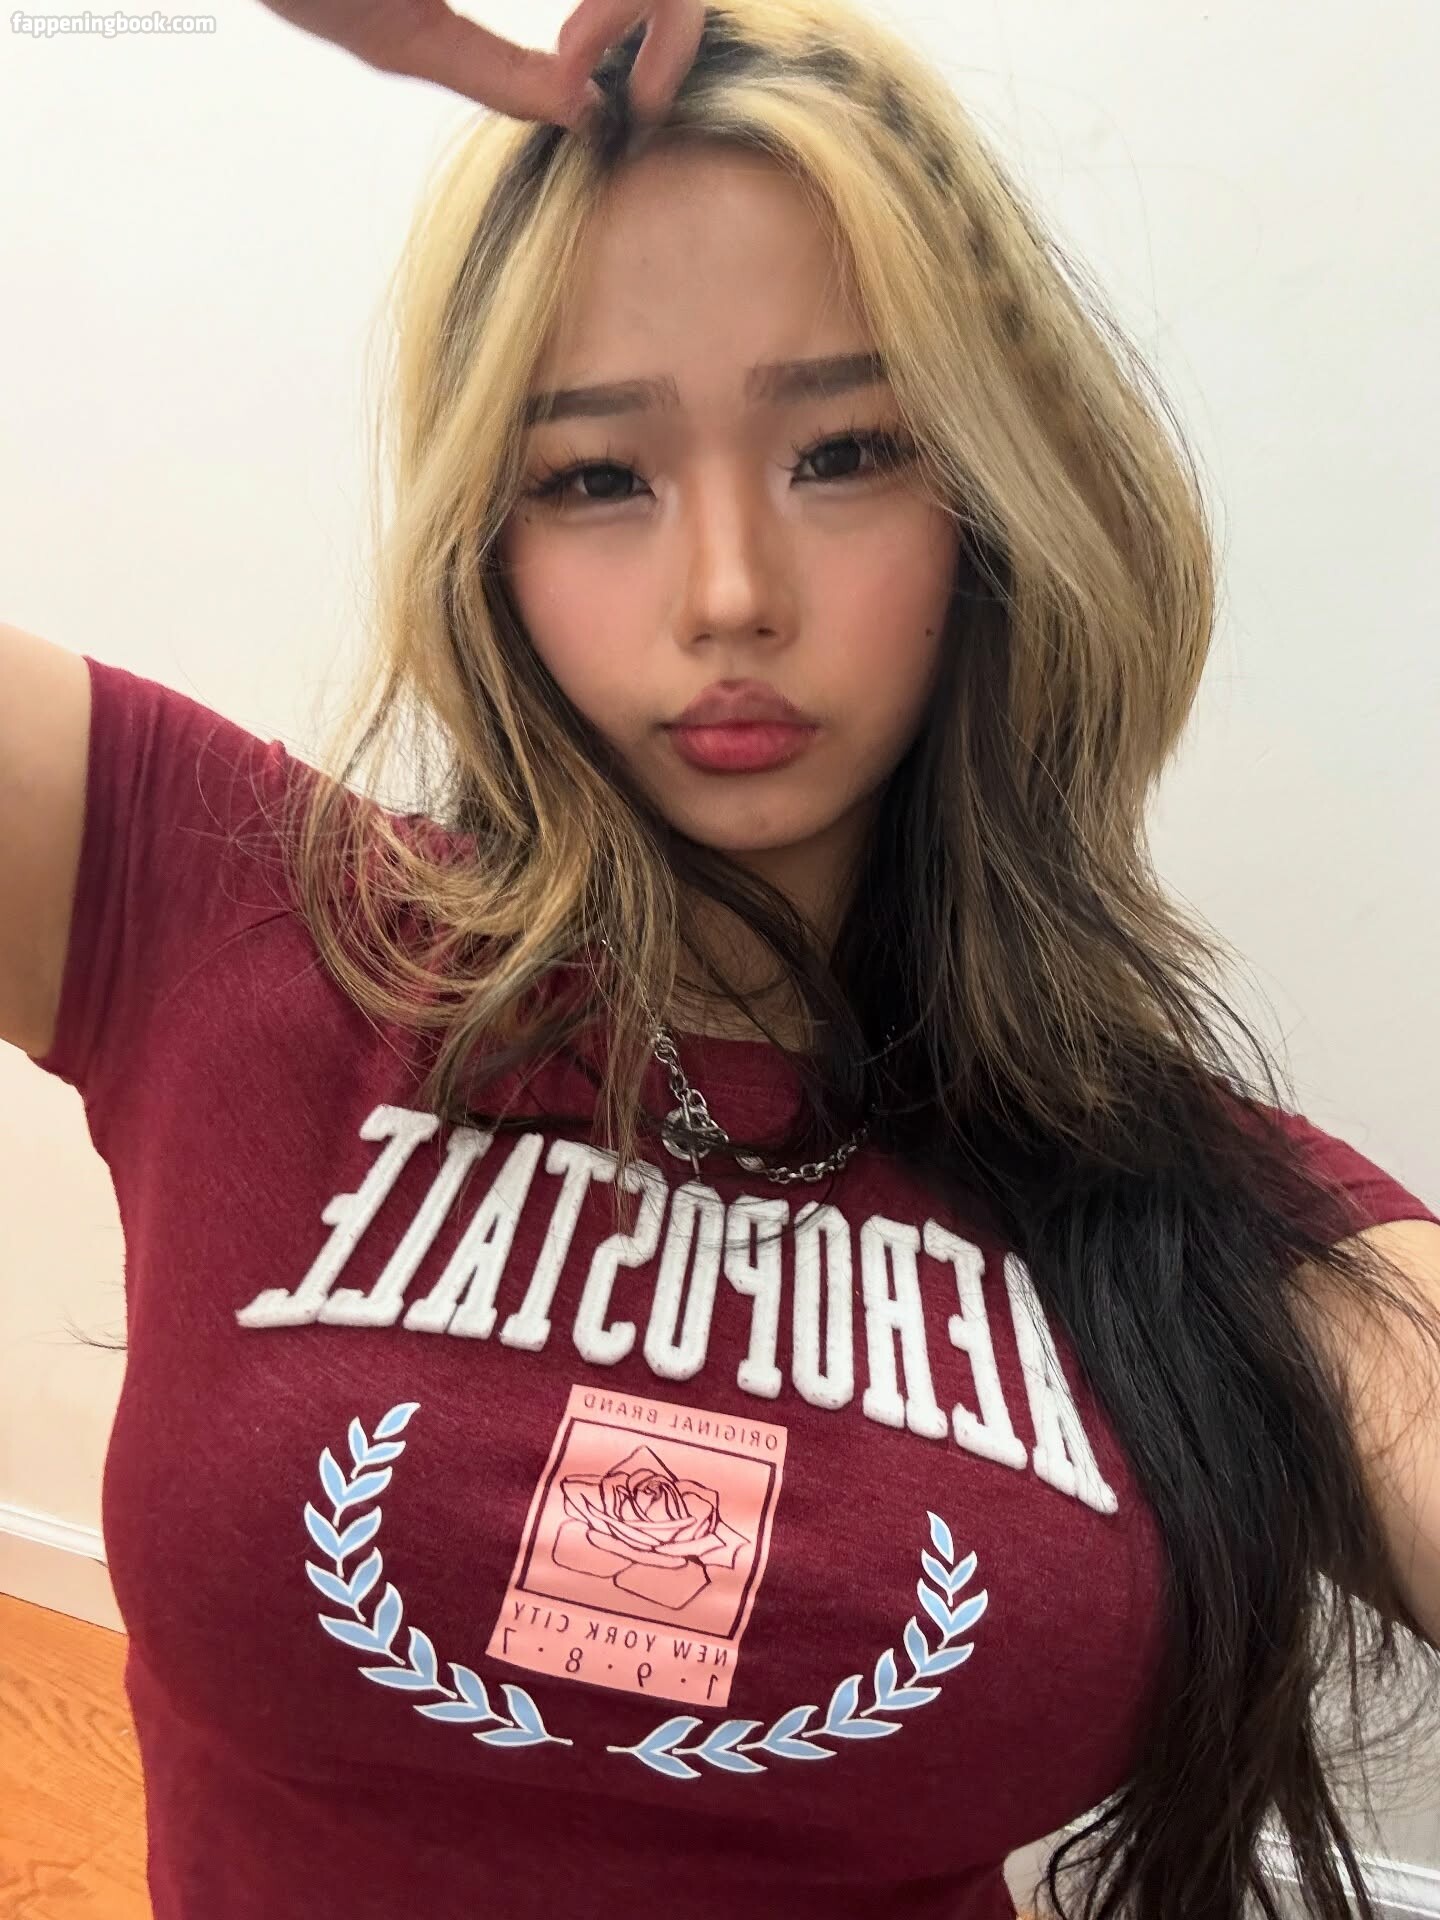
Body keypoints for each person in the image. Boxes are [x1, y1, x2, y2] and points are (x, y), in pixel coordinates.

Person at [3, 2, 1438, 1917]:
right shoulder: (229, 906)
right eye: (597, 476)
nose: (731, 595)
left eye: (847, 451)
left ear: (994, 500)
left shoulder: (1186, 1205)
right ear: (488, 534)